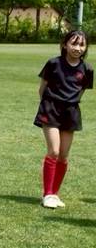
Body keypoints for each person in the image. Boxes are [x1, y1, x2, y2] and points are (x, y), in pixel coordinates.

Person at [35, 29, 92, 209]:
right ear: (65, 45)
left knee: (63, 156)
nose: (77, 48)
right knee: (54, 151)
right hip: (51, 109)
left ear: (86, 48)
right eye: (74, 43)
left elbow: (81, 91)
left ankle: (55, 193)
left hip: (71, 112)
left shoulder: (88, 69)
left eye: (81, 44)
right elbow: (42, 89)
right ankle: (47, 194)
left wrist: (70, 103)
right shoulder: (53, 63)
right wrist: (49, 105)